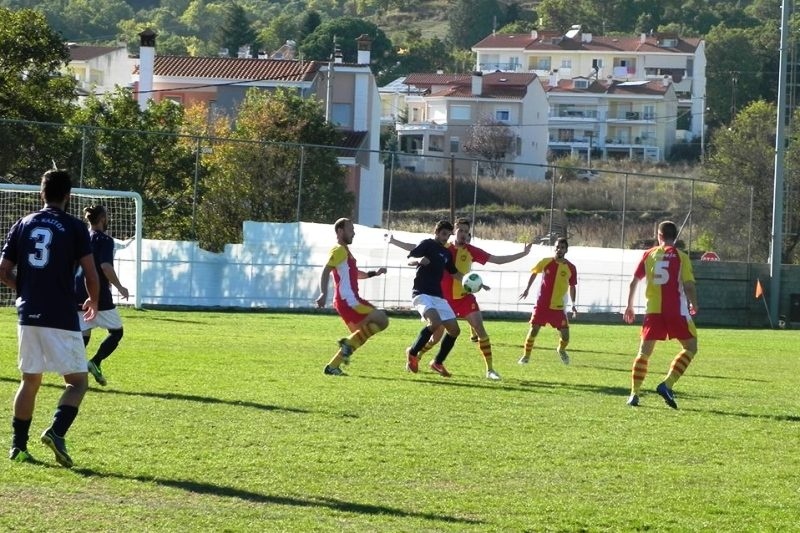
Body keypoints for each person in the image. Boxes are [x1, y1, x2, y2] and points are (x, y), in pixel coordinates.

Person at [0, 169, 99, 467]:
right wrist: (93, 301)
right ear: (68, 196)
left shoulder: (24, 223)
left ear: (41, 193)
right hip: (60, 313)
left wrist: (25, 288)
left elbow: (3, 270)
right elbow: (91, 274)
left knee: (29, 380)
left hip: (28, 312)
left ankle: (18, 447)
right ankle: (56, 432)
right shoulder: (74, 227)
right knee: (77, 382)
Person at [389, 218, 532, 380]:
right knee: (436, 335)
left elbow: (496, 260)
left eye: (466, 232)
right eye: (461, 231)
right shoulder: (441, 246)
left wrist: (523, 254)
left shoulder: (467, 251)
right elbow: (415, 249)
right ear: (453, 232)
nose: (463, 234)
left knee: (478, 328)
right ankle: (416, 354)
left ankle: (490, 369)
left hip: (464, 298)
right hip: (441, 296)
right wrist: (396, 243)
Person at [623, 220, 699, 409]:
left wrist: (629, 306)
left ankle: (634, 393)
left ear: (659, 236)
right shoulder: (681, 257)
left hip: (653, 311)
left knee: (643, 353)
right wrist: (694, 303)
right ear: (676, 237)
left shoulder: (648, 254)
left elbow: (633, 282)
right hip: (675, 310)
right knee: (691, 347)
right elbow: (688, 285)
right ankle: (667, 384)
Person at [315, 218, 389, 376]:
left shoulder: (345, 251)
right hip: (348, 300)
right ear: (340, 231)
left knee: (361, 335)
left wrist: (373, 273)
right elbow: (325, 270)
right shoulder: (339, 250)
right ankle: (347, 344)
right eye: (351, 230)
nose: (354, 233)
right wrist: (323, 292)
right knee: (382, 320)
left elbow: (354, 274)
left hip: (349, 300)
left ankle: (333, 366)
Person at [399, 220, 465, 377]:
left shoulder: (447, 253)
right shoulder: (427, 244)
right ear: (436, 232)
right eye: (443, 234)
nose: (445, 238)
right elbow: (409, 259)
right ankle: (413, 353)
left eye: (448, 235)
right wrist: (419, 260)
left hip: (438, 296)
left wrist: (473, 282)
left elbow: (455, 273)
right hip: (421, 293)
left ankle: (438, 362)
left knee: (455, 330)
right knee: (435, 323)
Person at [76, 205, 129, 387]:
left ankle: (74, 370)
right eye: (107, 217)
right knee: (117, 331)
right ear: (102, 219)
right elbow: (105, 267)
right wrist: (120, 287)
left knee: (83, 333)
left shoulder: (81, 238)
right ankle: (95, 362)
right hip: (97, 293)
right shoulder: (104, 240)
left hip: (77, 292)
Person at [518, 237, 577, 365]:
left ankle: (561, 350)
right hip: (542, 305)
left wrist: (573, 304)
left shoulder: (571, 267)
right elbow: (534, 273)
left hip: (558, 307)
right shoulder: (546, 262)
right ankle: (526, 356)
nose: (559, 250)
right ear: (554, 248)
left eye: (562, 248)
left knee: (566, 335)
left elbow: (572, 286)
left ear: (566, 250)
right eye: (557, 247)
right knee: (534, 330)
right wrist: (527, 289)